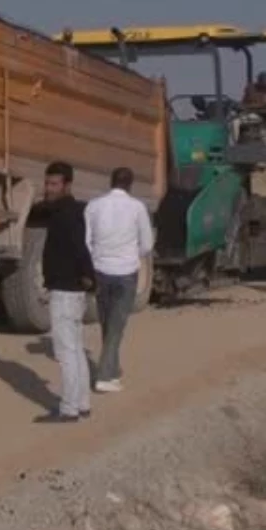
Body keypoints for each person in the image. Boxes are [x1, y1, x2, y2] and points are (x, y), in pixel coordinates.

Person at [84, 167, 154, 393]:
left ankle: (113, 369)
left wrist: (97, 257)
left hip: (100, 270)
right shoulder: (137, 208)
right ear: (130, 184)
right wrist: (133, 254)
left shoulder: (93, 206)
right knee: (117, 324)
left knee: (107, 322)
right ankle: (104, 376)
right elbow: (147, 244)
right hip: (126, 271)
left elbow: (86, 240)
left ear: (110, 181)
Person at [38, 161, 96, 423]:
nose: (48, 189)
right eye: (47, 183)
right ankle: (81, 403)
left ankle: (69, 408)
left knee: (66, 352)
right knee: (76, 349)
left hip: (65, 291)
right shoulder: (66, 211)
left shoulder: (67, 214)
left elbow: (80, 248)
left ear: (67, 185)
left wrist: (87, 277)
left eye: (54, 184)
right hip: (70, 290)